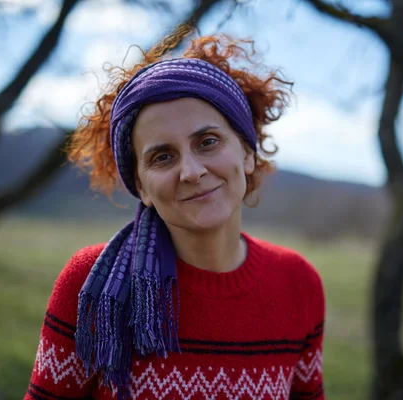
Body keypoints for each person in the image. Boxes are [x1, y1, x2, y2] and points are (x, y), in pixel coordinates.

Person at [24, 27, 326, 400]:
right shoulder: (90, 287)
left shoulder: (299, 284)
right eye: (162, 156)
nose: (191, 171)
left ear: (247, 153)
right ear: (141, 185)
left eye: (208, 142)